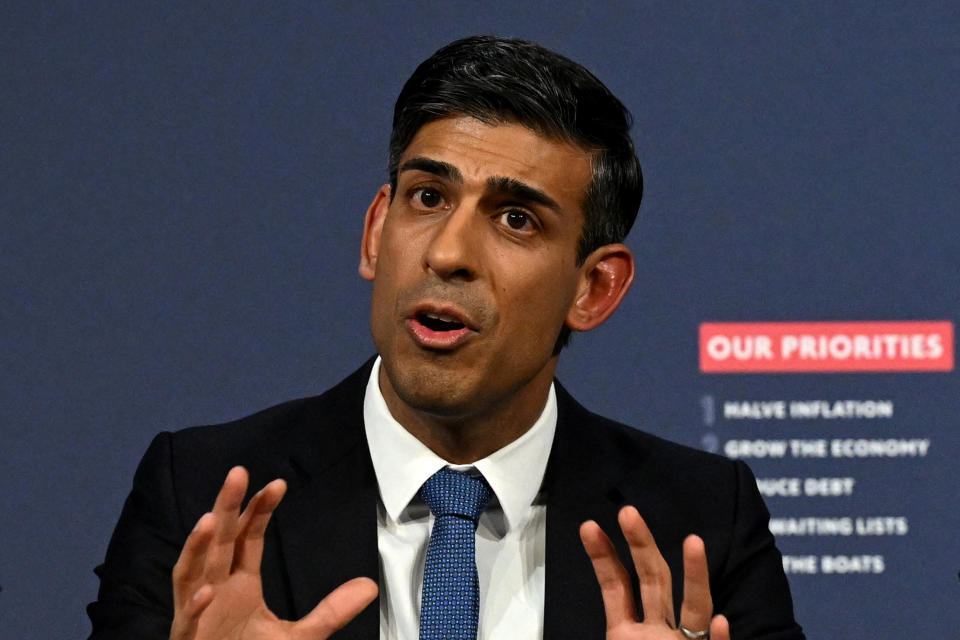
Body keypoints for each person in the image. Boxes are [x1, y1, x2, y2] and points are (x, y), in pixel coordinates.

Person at [88, 36, 804, 640]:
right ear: (376, 231)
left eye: (516, 219)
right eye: (428, 198)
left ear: (594, 289)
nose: (448, 253)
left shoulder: (702, 523)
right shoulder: (203, 501)